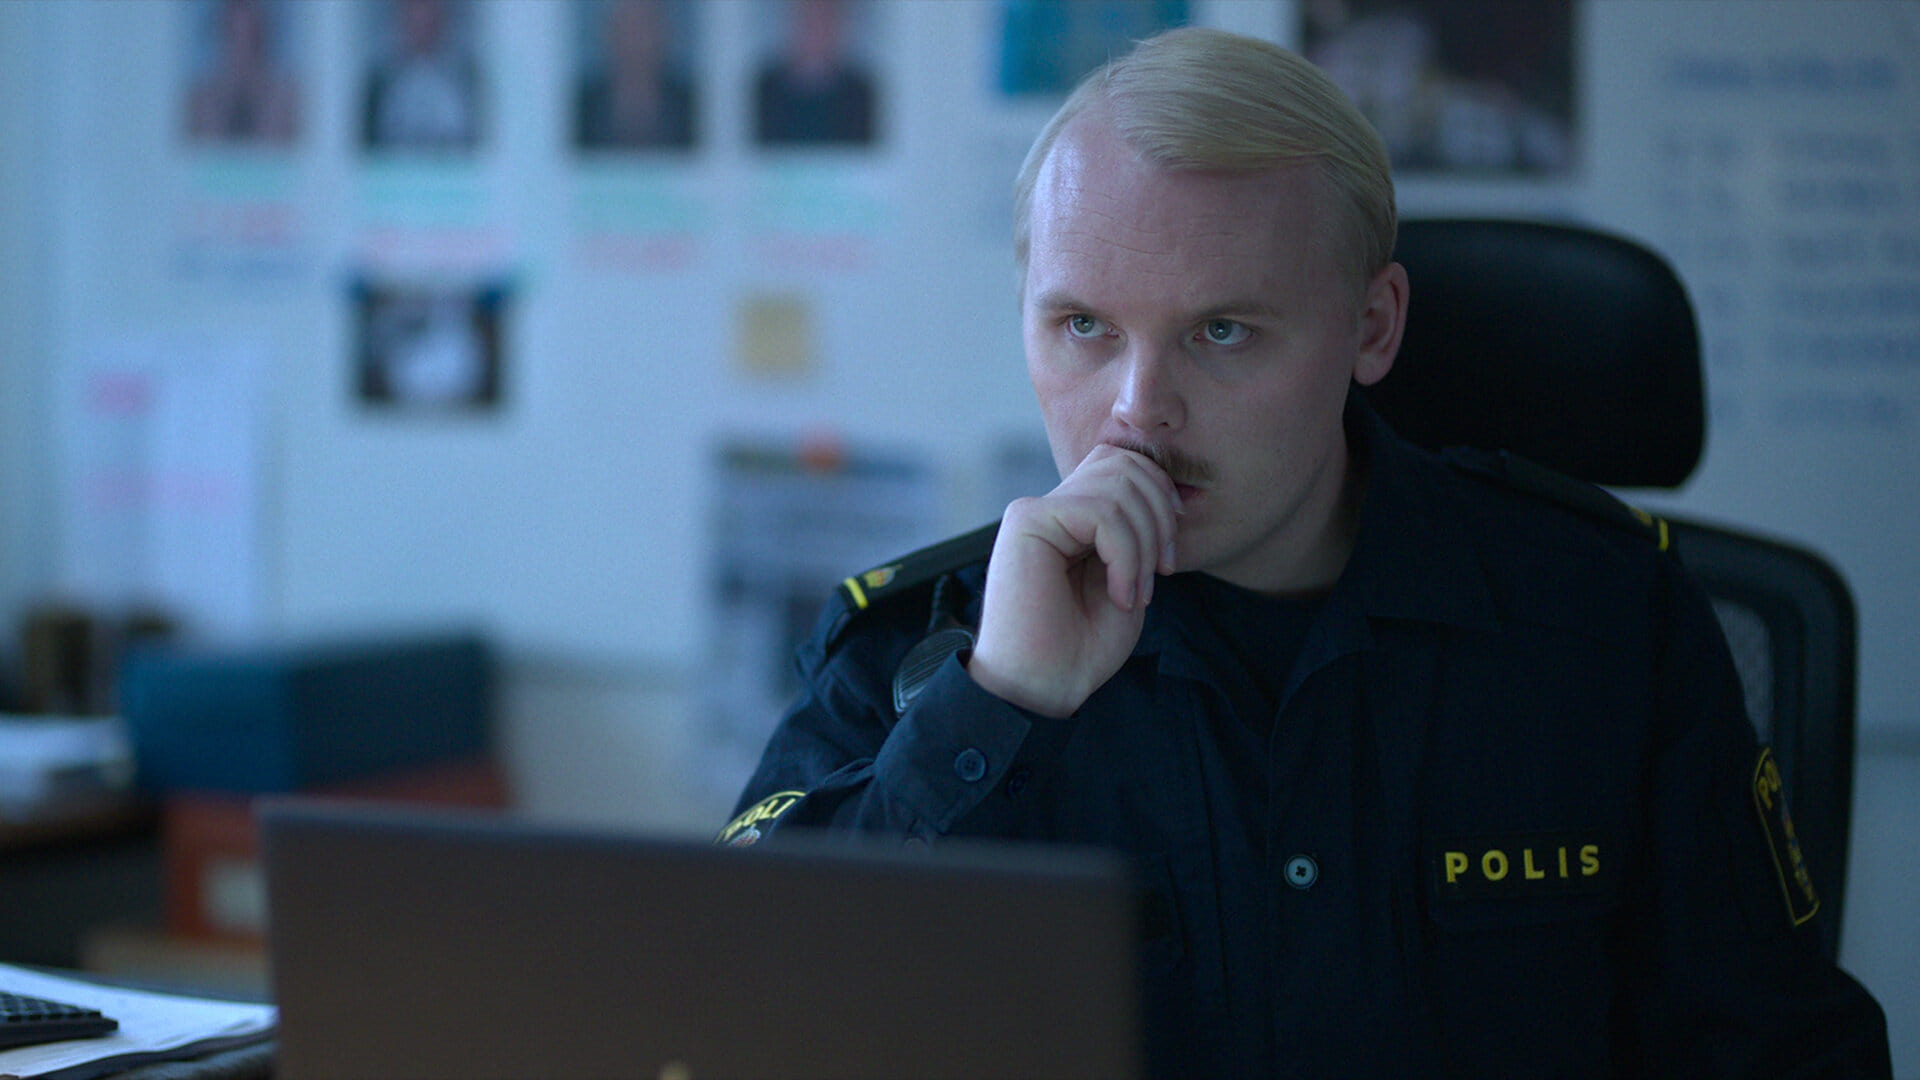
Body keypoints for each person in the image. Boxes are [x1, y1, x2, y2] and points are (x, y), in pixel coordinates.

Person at [724, 27, 1890, 1078]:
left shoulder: (1605, 620)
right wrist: (996, 706)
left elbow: (1782, 1050)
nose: (1137, 410)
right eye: (1083, 326)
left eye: (1221, 331)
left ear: (1371, 328)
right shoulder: (921, 652)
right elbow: (736, 1023)